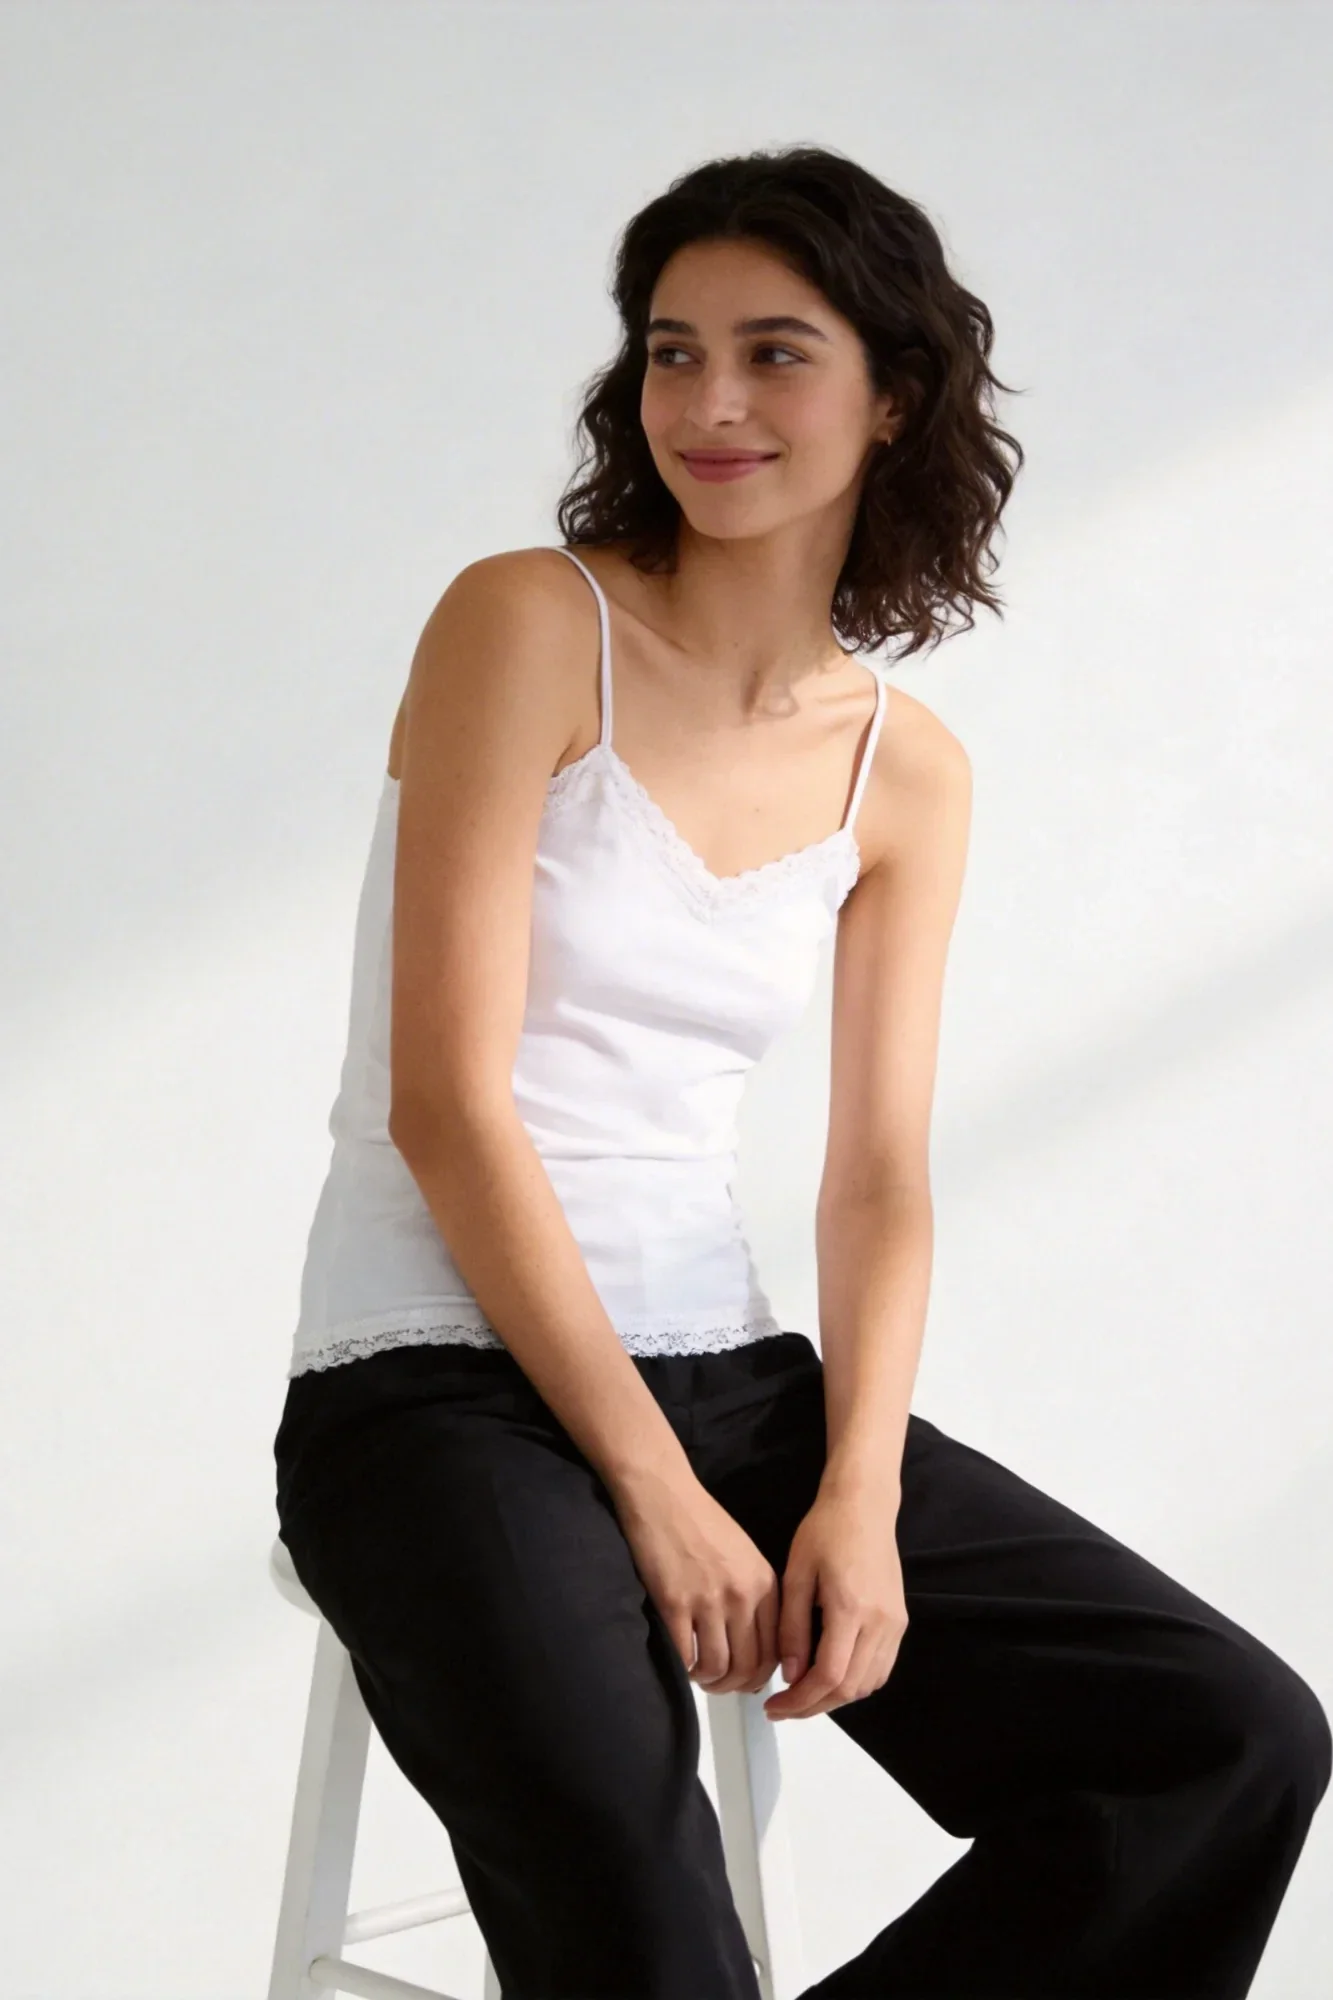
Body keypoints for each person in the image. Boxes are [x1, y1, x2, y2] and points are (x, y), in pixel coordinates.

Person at [272, 144, 1329, 1999]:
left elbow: (876, 1178)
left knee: (1223, 1740)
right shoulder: (528, 624)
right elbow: (448, 1101)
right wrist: (652, 1486)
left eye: (775, 353)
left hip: (734, 1380)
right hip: (426, 1387)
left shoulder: (901, 768)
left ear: (893, 396)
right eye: (673, 352)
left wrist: (855, 1486)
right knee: (637, 1892)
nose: (711, 404)